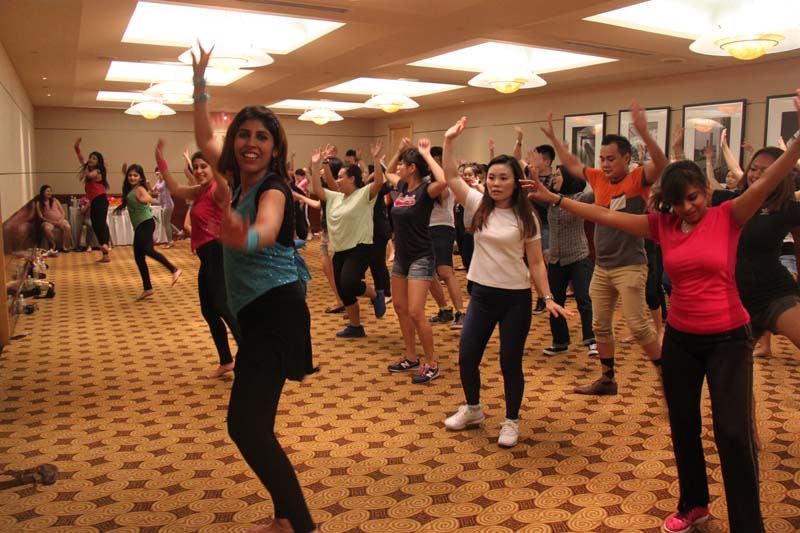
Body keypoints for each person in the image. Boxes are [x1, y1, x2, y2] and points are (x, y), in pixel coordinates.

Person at [524, 89, 800, 532]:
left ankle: (748, 524)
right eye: (678, 202)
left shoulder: (729, 215)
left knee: (733, 433)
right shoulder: (662, 225)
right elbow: (605, 216)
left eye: (693, 198)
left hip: (729, 339)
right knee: (683, 424)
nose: (688, 208)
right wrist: (552, 199)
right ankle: (694, 505)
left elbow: (770, 180)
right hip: (682, 341)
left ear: (705, 191)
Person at [192, 43, 317, 533]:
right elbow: (204, 137)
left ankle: (299, 525)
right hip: (256, 313)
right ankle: (286, 519)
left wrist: (240, 236)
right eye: (243, 134)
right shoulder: (235, 178)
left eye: (261, 137)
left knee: (245, 426)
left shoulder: (273, 188)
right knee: (255, 425)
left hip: (276, 314)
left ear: (275, 147)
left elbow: (266, 228)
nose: (250, 143)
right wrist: (200, 86)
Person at [442, 117, 571, 447]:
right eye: (491, 178)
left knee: (510, 362)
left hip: (515, 298)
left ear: (516, 182)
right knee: (467, 356)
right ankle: (473, 409)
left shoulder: (526, 217)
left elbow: (536, 261)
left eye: (503, 178)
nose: (496, 183)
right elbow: (451, 176)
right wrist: (449, 141)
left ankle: (511, 420)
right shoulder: (477, 204)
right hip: (481, 295)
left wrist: (548, 297)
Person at [540, 104, 666, 396]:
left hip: (630, 264)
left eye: (611, 159)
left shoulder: (637, 179)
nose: (605, 164)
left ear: (627, 158)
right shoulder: (597, 179)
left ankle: (667, 375)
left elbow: (660, 164)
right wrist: (555, 140)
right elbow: (573, 164)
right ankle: (607, 379)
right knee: (599, 325)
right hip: (602, 267)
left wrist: (644, 132)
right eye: (602, 158)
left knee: (639, 325)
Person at [155, 142, 243, 379]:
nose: (199, 171)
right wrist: (160, 161)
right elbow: (174, 188)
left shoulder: (216, 190)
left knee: (222, 306)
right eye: (196, 167)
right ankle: (226, 360)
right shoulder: (199, 191)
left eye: (204, 166)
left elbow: (224, 184)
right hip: (207, 257)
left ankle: (250, 355)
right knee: (209, 310)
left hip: (217, 252)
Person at [711, 145, 800, 357]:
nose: (757, 175)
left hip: (774, 292)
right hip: (733, 297)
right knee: (729, 368)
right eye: (753, 168)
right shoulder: (728, 200)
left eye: (765, 170)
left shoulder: (787, 208)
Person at [307, 141, 387, 338]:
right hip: (340, 249)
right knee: (343, 289)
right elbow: (317, 189)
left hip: (360, 248)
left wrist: (376, 159)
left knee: (350, 282)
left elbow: (379, 183)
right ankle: (355, 327)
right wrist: (316, 165)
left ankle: (375, 294)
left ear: (352, 179)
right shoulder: (335, 197)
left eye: (341, 177)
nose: (338, 180)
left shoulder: (364, 194)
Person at [384, 137, 447, 384]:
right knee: (400, 308)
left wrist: (427, 154)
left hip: (421, 256)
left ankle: (431, 363)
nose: (399, 167)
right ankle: (411, 356)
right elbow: (387, 172)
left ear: (412, 168)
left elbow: (443, 180)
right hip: (402, 256)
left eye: (403, 163)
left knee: (416, 311)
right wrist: (399, 151)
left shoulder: (425, 190)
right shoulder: (401, 187)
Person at [535, 164, 597, 357]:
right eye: (553, 175)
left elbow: (598, 192)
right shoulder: (550, 199)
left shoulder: (580, 198)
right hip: (556, 260)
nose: (554, 178)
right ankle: (560, 342)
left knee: (584, 299)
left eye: (558, 175)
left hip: (578, 256)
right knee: (555, 301)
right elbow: (533, 190)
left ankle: (592, 340)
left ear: (569, 178)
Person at [116, 164, 181, 300]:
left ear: (140, 178)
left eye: (135, 175)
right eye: (130, 175)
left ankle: (174, 270)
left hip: (145, 223)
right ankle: (147, 288)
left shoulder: (140, 189)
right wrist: (124, 172)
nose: (132, 177)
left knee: (148, 250)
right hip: (141, 224)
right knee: (139, 257)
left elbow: (150, 199)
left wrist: (148, 200)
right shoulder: (132, 188)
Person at [74, 138, 112, 262]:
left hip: (100, 200)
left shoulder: (97, 170)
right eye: (90, 157)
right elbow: (81, 159)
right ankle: (105, 254)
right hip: (94, 201)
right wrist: (77, 148)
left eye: (94, 158)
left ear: (98, 162)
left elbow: (90, 175)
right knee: (95, 225)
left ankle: (105, 244)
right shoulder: (89, 168)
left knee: (100, 223)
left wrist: (85, 166)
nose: (91, 159)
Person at [35, 185, 73, 252]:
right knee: (46, 228)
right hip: (48, 222)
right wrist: (52, 222)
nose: (49, 193)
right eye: (47, 191)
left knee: (68, 227)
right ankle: (53, 245)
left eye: (50, 191)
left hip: (59, 220)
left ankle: (64, 246)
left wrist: (61, 220)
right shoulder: (39, 203)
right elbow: (41, 217)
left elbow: (63, 212)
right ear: (42, 192)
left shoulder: (55, 200)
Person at [151, 167, 175, 248]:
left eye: (159, 173)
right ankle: (178, 232)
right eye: (157, 174)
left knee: (166, 224)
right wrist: (148, 184)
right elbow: (152, 190)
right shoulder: (158, 181)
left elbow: (172, 186)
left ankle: (170, 241)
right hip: (163, 205)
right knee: (166, 222)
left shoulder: (166, 181)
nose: (158, 175)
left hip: (168, 204)